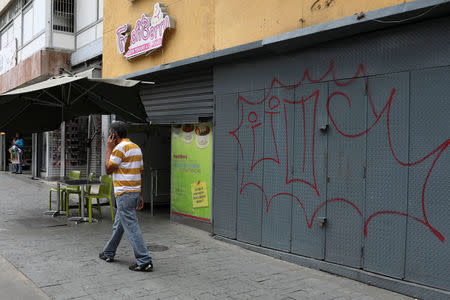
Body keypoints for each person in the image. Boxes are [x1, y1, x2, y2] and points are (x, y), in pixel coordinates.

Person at [99, 121, 153, 272]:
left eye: (110, 134)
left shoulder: (119, 149)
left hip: (124, 194)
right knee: (119, 224)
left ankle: (144, 260)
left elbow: (108, 169)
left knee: (131, 227)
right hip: (134, 193)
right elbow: (140, 173)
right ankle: (109, 252)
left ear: (114, 135)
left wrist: (108, 149)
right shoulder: (136, 148)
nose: (109, 137)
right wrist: (141, 194)